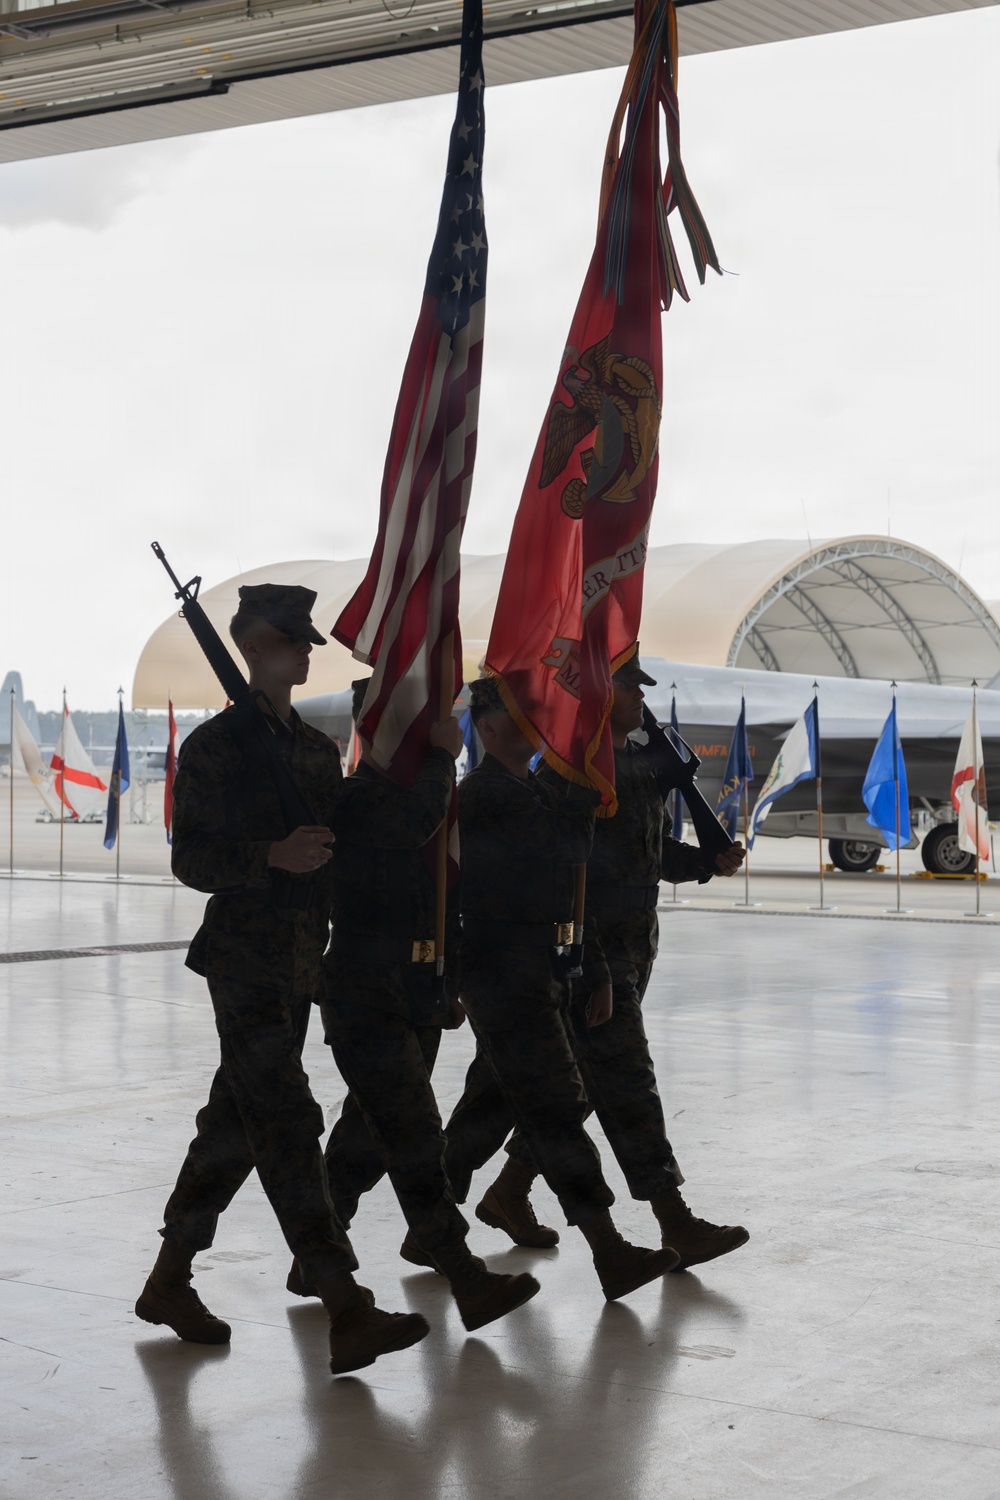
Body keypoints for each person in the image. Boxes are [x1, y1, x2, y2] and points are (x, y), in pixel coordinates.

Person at [134, 585, 429, 1376]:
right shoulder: (216, 749)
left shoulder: (311, 748)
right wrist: (270, 854)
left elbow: (338, 850)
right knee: (291, 1124)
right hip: (242, 961)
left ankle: (168, 1280)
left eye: (306, 642)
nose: (305, 653)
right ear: (255, 645)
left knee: (235, 1126)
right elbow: (190, 859)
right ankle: (345, 1306)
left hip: (300, 964)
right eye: (294, 641)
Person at [447, 656, 751, 1272]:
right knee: (624, 1081)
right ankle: (674, 1220)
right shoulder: (575, 774)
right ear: (595, 693)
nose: (639, 696)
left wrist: (703, 862)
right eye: (627, 685)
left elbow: (648, 851)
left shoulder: (635, 765)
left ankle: (489, 1197)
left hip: (633, 939)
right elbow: (573, 869)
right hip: (589, 946)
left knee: (525, 1092)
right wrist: (589, 960)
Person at [287, 678, 539, 1333]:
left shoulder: (428, 798)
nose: (435, 726)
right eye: (419, 718)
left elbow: (443, 891)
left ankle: (315, 1252)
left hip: (416, 989)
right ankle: (465, 1276)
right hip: (365, 994)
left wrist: (447, 976)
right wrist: (438, 757)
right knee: (415, 1136)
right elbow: (410, 829)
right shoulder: (360, 800)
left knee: (369, 1136)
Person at [427, 676, 678, 1302]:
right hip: (502, 973)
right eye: (521, 713)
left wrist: (590, 969)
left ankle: (595, 1247)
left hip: (540, 971)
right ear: (486, 729)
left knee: (539, 1108)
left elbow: (568, 892)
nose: (537, 720)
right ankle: (606, 1251)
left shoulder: (523, 791)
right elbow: (546, 868)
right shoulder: (484, 797)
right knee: (553, 1110)